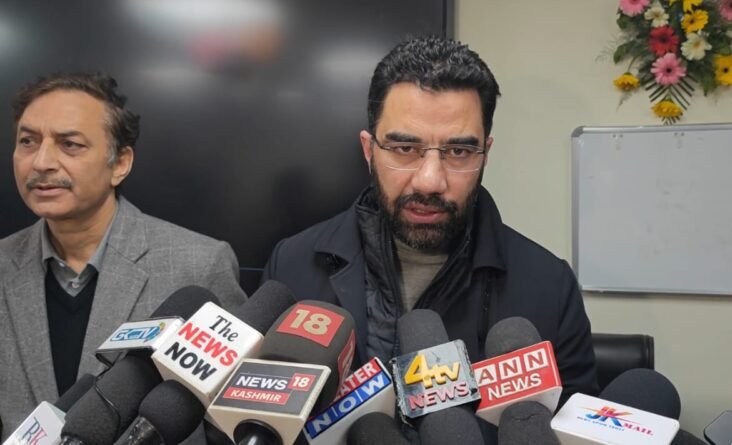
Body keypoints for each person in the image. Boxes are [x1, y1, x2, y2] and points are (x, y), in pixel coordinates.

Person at [262, 36, 598, 402]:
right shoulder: (292, 265)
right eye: (405, 148)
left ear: (485, 155)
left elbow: (568, 424)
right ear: (368, 150)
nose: (430, 181)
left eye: (459, 151)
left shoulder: (550, 289)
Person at [0, 72, 246, 437]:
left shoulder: (199, 264)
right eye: (28, 141)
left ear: (119, 163)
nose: (41, 162)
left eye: (70, 144)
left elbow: (229, 421)